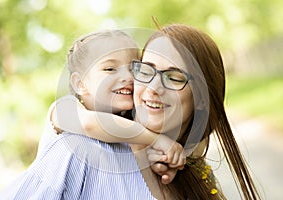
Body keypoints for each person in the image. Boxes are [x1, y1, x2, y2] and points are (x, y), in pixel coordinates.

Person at [51, 24, 262, 199]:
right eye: (146, 69)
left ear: (201, 99)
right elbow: (75, 119)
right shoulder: (84, 148)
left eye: (174, 77)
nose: (152, 88)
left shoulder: (192, 170)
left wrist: (180, 152)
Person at [0, 30, 185, 199]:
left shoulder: (130, 130)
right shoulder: (65, 108)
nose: (127, 77)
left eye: (133, 68)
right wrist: (156, 140)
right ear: (80, 84)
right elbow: (91, 124)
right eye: (110, 69)